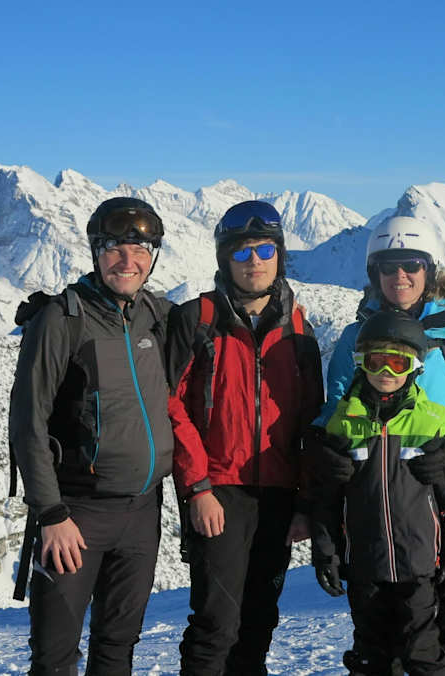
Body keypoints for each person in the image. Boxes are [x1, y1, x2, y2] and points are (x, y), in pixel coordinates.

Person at [312, 215, 445, 675]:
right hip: (379, 492)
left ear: (429, 270)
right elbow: (335, 405)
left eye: (412, 265)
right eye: (389, 266)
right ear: (374, 273)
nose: (401, 276)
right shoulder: (356, 336)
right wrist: (325, 445)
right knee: (386, 615)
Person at [8, 196, 175, 675]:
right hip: (76, 515)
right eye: (115, 249)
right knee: (56, 655)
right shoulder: (62, 319)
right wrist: (52, 513)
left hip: (143, 514)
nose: (128, 261)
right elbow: (27, 422)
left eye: (140, 249)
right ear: (96, 253)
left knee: (117, 647)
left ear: (154, 255)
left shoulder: (157, 316)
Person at [167, 200, 324, 675]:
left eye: (263, 250)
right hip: (218, 493)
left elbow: (311, 421)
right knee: (215, 622)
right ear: (224, 259)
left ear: (278, 256)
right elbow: (170, 405)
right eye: (241, 253)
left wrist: (305, 502)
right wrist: (197, 487)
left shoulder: (299, 330)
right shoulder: (199, 320)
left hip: (277, 494)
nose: (253, 261)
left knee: (259, 621)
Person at [310, 309, 445, 675]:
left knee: (421, 650)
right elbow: (328, 500)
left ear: (415, 367)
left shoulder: (431, 421)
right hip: (365, 564)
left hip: (419, 565)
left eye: (397, 363)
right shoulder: (344, 422)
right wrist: (326, 554)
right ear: (360, 363)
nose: (386, 373)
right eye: (376, 362)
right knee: (370, 654)